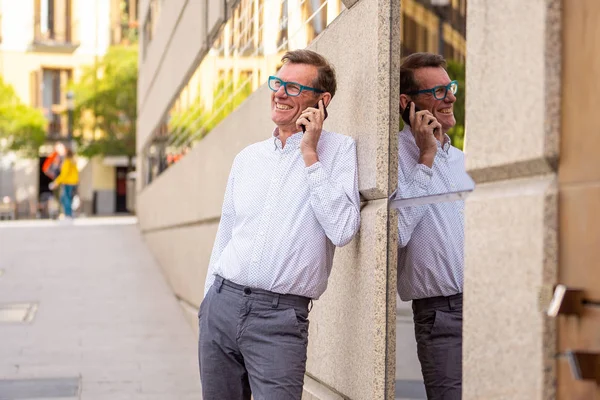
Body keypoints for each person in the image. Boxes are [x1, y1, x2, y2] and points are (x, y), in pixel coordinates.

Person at [199, 49, 360, 400]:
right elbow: (226, 233)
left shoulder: (340, 151)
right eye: (278, 83)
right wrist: (206, 303)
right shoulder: (248, 158)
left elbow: (344, 229)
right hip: (220, 308)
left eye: (293, 87)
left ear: (322, 100)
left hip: (280, 319)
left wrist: (311, 155)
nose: (280, 93)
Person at [396, 52, 474, 400]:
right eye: (439, 92)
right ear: (407, 104)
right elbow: (394, 233)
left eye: (450, 88)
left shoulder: (463, 161)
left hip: (485, 303)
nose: (451, 98)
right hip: (441, 315)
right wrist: (425, 158)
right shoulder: (392, 159)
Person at [49, 147, 79, 219]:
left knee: (65, 198)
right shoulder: (73, 162)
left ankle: (68, 214)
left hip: (68, 182)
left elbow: (63, 174)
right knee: (67, 198)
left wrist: (56, 182)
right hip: (73, 182)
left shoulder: (67, 162)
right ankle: (69, 213)